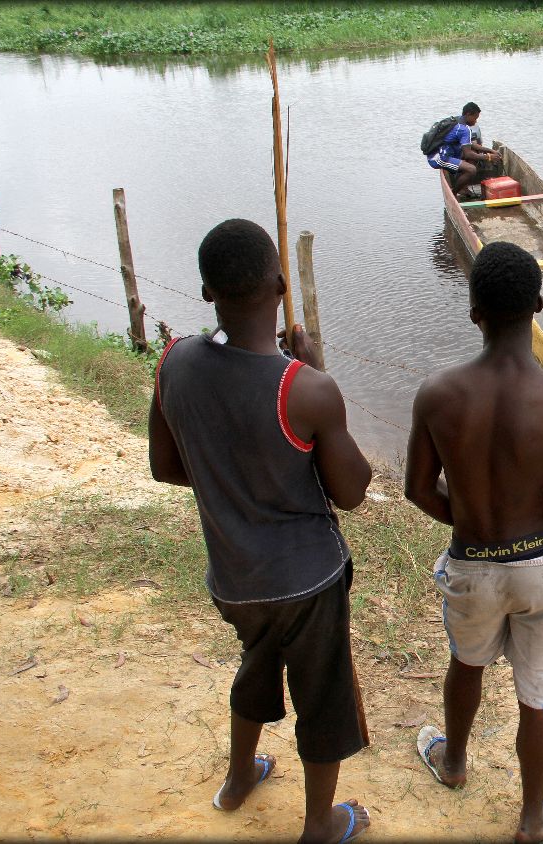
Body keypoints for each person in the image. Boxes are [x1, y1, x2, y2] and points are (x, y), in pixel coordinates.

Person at [149, 218, 374, 844]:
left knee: (255, 666)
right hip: (306, 581)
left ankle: (239, 777)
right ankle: (320, 824)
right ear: (281, 284)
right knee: (320, 695)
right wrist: (320, 379)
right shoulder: (304, 388)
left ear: (206, 292)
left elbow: (167, 467)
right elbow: (352, 492)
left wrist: (234, 470)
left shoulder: (174, 362)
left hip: (234, 579)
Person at [404, 240, 543, 843]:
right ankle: (529, 819)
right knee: (537, 701)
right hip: (542, 569)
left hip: (472, 564)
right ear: (538, 306)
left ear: (474, 312)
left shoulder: (438, 394)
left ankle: (454, 762)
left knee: (466, 664)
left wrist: (471, 528)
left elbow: (417, 489)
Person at [427, 101, 500, 200]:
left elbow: (472, 145)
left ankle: (462, 187)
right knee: (471, 169)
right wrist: (489, 157)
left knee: (474, 157)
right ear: (468, 114)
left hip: (449, 152)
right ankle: (453, 195)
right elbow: (468, 154)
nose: (476, 121)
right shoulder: (464, 129)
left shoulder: (458, 120)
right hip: (439, 157)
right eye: (475, 118)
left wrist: (491, 151)